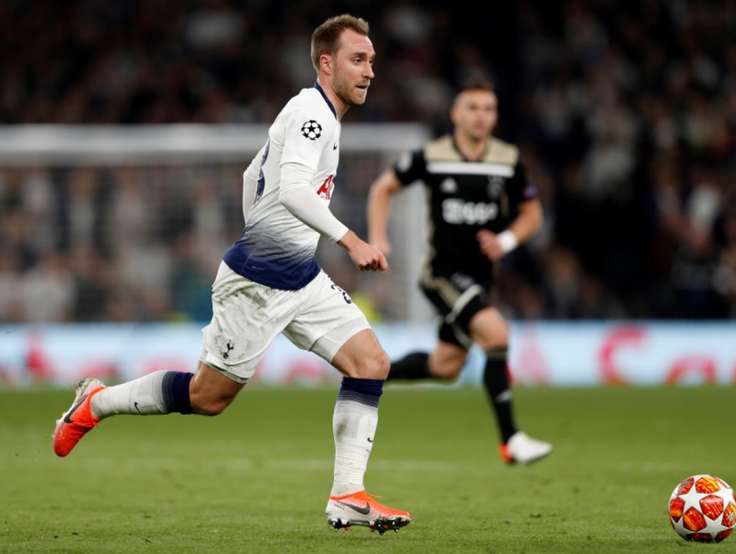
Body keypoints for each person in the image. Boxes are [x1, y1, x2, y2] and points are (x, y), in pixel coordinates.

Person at [52, 14, 411, 534]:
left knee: (370, 361)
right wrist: (350, 240)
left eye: (372, 61)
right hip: (258, 284)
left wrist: (264, 228)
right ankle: (95, 403)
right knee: (207, 398)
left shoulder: (315, 115)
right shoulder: (313, 113)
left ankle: (347, 495)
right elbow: (289, 190)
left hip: (300, 276)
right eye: (358, 60)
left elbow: (253, 176)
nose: (370, 71)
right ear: (326, 63)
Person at [367, 80, 552, 464]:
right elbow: (383, 188)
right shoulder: (433, 156)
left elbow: (532, 213)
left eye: (488, 108)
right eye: (472, 107)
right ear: (455, 113)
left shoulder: (507, 160)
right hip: (441, 274)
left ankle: (370, 372)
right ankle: (511, 440)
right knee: (497, 333)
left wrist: (506, 241)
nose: (480, 116)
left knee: (446, 366)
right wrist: (378, 238)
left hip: (481, 278)